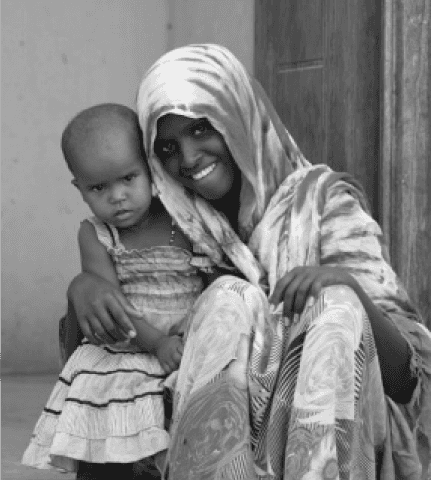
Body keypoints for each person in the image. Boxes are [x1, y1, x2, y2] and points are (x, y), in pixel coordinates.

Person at [66, 46, 431, 479]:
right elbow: (120, 320)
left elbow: (407, 382)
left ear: (237, 114)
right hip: (220, 439)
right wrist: (82, 287)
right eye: (167, 147)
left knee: (333, 304)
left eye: (201, 128)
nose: (188, 158)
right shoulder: (176, 224)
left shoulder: (323, 207)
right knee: (228, 296)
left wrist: (346, 288)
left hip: (339, 435)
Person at [22, 103, 216, 479]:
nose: (117, 196)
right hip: (127, 348)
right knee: (109, 426)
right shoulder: (96, 234)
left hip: (187, 345)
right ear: (79, 188)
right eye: (98, 187)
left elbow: (213, 285)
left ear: (150, 167)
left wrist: (199, 339)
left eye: (128, 178)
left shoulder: (185, 217)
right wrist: (157, 344)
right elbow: (113, 305)